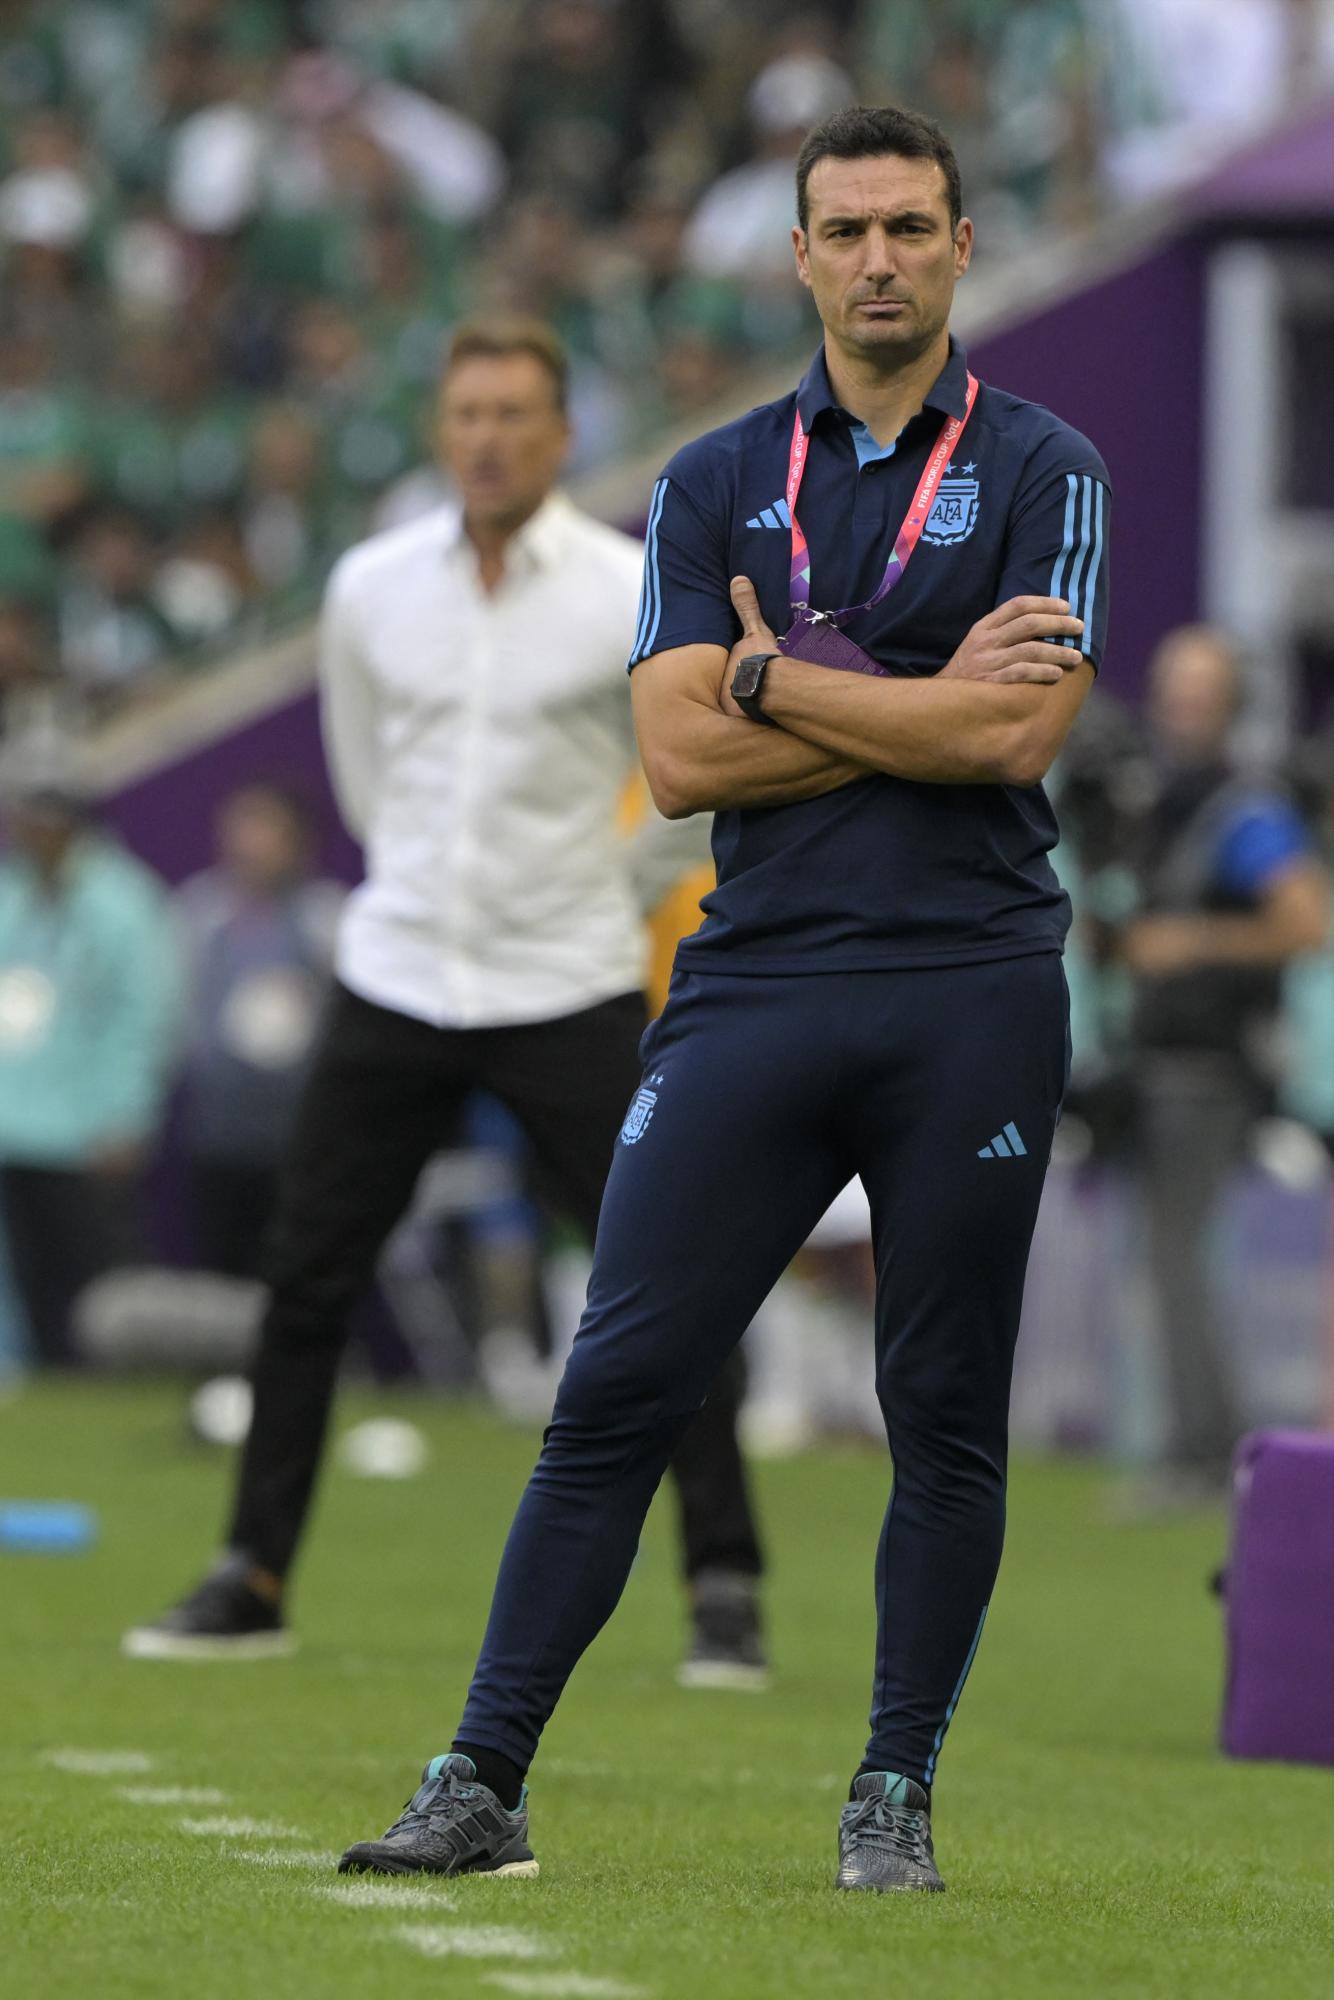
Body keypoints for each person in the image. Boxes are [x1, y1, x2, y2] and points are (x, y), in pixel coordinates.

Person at [337, 103, 1111, 1894]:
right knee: (615, 1385)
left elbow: (1017, 730)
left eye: (909, 227)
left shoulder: (1053, 467)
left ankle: (890, 1797)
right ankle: (479, 1781)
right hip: (750, 982)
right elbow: (678, 759)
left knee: (939, 1410)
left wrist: (776, 673)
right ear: (795, 255)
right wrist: (887, 699)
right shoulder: (706, 477)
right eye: (843, 230)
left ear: (960, 246)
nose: (877, 260)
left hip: (969, 991)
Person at [124, 317, 767, 1687]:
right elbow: (366, 781)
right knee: (305, 1284)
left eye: (513, 414)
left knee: (661, 1279)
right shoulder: (368, 587)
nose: (486, 436)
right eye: (466, 412)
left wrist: (602, 879)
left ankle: (723, 1582)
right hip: (400, 970)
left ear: (562, 434)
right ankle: (251, 1576)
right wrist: (430, 882)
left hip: (564, 974)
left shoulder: (622, 587)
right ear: (440, 429)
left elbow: (682, 773)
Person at [1115, 626, 1327, 1496]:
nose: (1182, 705)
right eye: (1174, 687)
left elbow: (1306, 922)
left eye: (1201, 690)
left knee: (1178, 1261)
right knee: (1167, 1262)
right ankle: (1199, 1445)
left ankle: (1203, 1453)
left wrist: (1192, 941)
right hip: (1158, 1061)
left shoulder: (1245, 812)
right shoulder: (1160, 801)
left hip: (1211, 1066)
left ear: (1231, 703)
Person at [0, 739, 180, 1367]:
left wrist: (126, 1116)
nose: (28, 829)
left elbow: (147, 1018)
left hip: (87, 1134)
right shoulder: (9, 895)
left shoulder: (125, 903)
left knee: (100, 1291)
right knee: (28, 1288)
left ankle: (115, 1392)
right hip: (14, 1129)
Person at [174, 782, 344, 1280]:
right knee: (225, 1267)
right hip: (221, 1132)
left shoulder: (326, 917)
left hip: (304, 1134)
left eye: (264, 831)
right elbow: (182, 1015)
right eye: (240, 830)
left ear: (297, 842)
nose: (248, 845)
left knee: (303, 1265)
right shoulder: (199, 913)